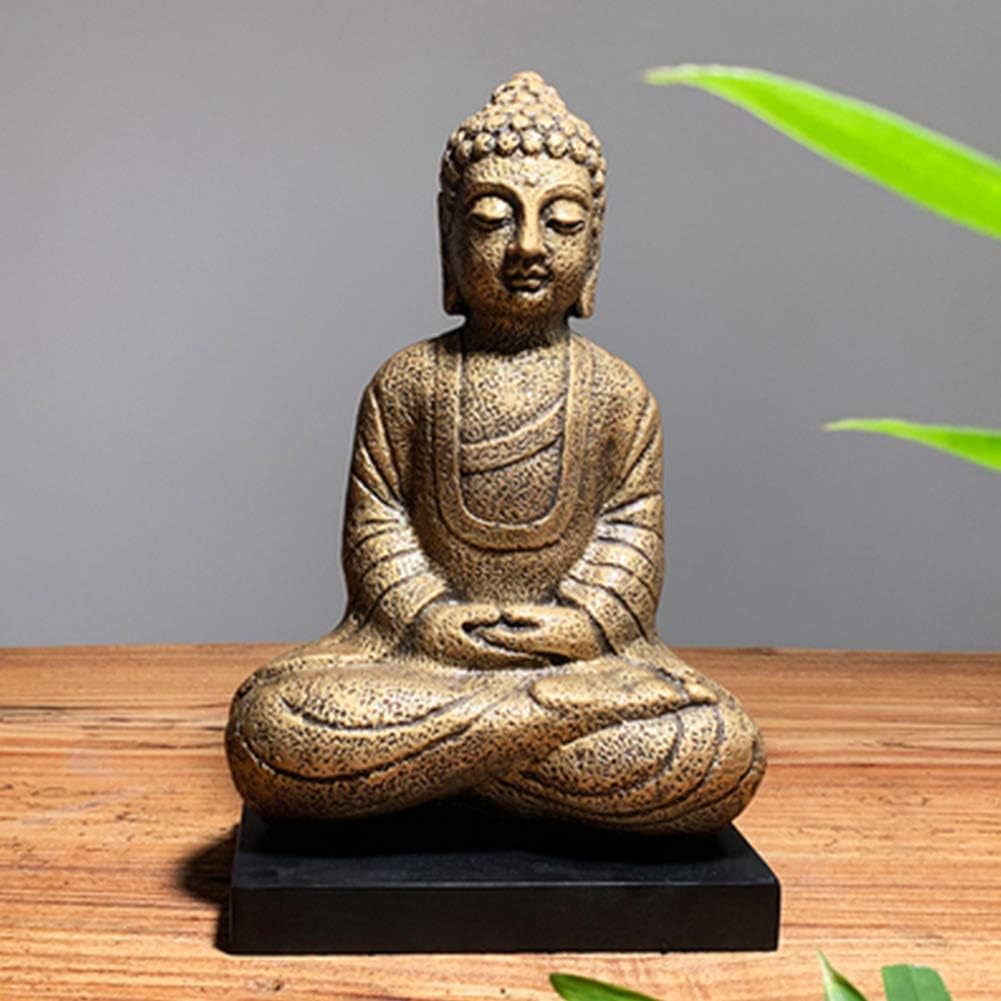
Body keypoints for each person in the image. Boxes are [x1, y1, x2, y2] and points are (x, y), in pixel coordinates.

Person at [226, 71, 765, 834]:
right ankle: (532, 736)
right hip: (421, 662)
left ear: (595, 245)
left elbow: (629, 537)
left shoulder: (617, 394)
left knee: (717, 745)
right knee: (272, 725)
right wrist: (429, 619)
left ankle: (430, 772)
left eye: (562, 221)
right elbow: (378, 531)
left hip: (575, 664)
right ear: (447, 237)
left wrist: (582, 626)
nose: (527, 246)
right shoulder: (408, 382)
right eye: (491, 218)